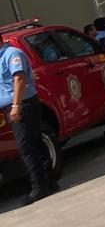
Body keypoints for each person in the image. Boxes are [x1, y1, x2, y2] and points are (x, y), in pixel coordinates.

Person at [1, 30, 59, 204]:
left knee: (26, 147)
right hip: (12, 107)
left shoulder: (12, 54)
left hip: (22, 105)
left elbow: (19, 78)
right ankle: (48, 181)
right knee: (35, 143)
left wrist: (16, 106)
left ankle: (39, 187)